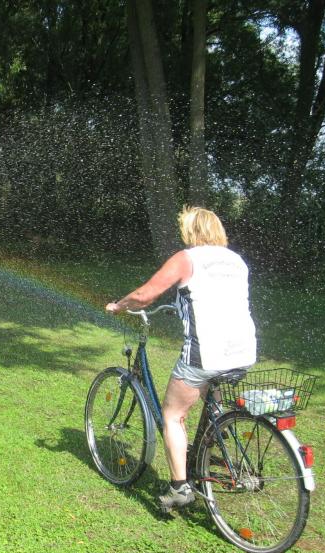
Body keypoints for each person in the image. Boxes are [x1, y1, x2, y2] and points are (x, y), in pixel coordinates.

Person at [105, 206, 256, 511]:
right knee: (212, 405)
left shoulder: (187, 259)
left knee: (173, 415)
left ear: (191, 231)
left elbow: (145, 295)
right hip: (243, 351)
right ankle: (207, 453)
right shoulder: (236, 261)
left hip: (206, 353)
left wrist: (119, 306)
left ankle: (179, 487)